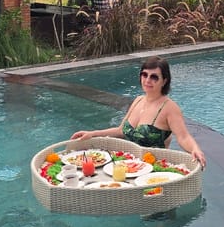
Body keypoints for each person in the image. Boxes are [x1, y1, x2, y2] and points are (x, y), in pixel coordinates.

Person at [70, 55, 206, 168]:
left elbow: (183, 137)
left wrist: (195, 149)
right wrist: (92, 134)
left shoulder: (169, 108)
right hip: (128, 166)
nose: (147, 80)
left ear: (164, 81)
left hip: (153, 171)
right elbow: (121, 131)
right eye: (144, 75)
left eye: (154, 77)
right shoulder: (138, 100)